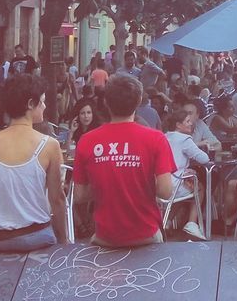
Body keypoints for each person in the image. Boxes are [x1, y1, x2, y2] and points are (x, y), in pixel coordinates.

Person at [72, 75, 176, 247]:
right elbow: (165, 192)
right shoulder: (156, 139)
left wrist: (107, 179)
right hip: (147, 235)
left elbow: (80, 196)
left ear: (105, 102)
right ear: (138, 103)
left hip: (105, 238)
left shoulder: (86, 141)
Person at [0, 74, 67, 252]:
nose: (44, 106)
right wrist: (63, 241)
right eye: (41, 101)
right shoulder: (49, 145)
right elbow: (57, 200)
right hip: (36, 237)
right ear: (29, 104)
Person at [162, 108, 208, 240]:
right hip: (176, 183)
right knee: (198, 187)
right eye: (187, 121)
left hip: (162, 184)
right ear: (178, 124)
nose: (190, 123)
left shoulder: (164, 136)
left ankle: (167, 222)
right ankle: (192, 223)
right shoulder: (185, 139)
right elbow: (204, 159)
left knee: (185, 188)